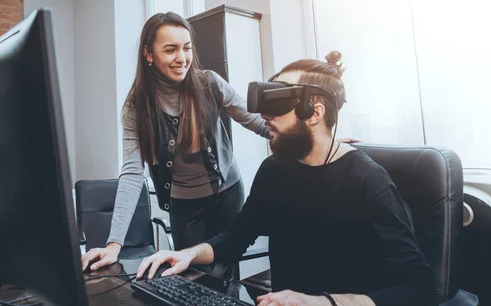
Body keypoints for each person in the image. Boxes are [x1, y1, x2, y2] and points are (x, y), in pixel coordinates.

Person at [136, 51, 435, 306]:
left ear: (314, 112)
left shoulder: (369, 182)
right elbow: (233, 240)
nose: (265, 117)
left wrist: (322, 303)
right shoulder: (274, 171)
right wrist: (186, 255)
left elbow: (420, 287)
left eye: (277, 104)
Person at [81, 12, 270, 272]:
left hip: (227, 194)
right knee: (192, 278)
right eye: (170, 50)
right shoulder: (137, 106)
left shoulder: (209, 83)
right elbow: (133, 173)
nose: (181, 58)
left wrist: (317, 141)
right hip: (184, 208)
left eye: (187, 48)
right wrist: (114, 245)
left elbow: (257, 122)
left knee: (227, 272)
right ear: (149, 54)